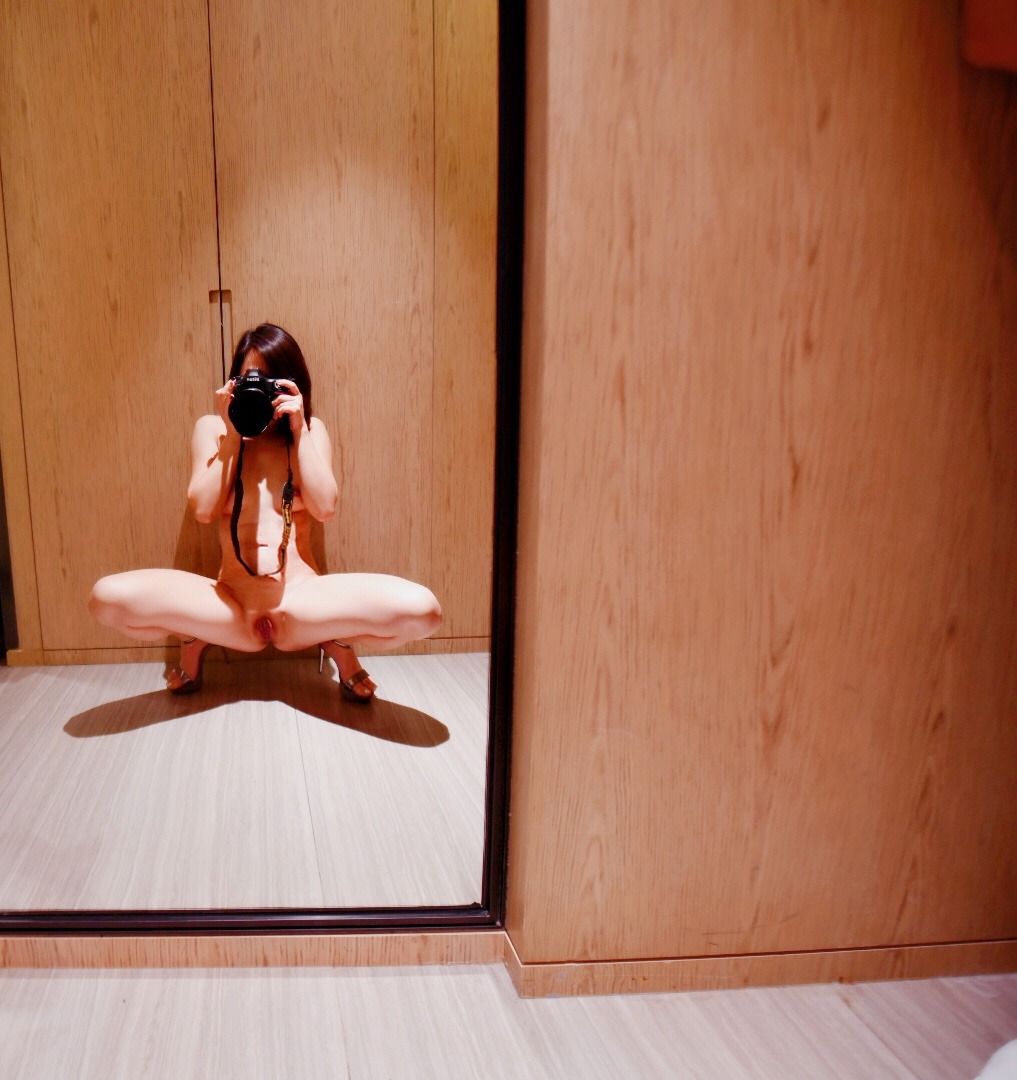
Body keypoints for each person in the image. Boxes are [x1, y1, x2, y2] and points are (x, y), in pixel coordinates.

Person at [89, 323, 442, 702]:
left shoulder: (309, 430)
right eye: (248, 381)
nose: (259, 392)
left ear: (292, 386)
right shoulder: (213, 429)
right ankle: (195, 636)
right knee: (106, 599)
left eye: (270, 384)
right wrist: (233, 434)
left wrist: (299, 429)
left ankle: (336, 640)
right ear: (233, 384)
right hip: (227, 603)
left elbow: (325, 507)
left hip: (302, 601)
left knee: (424, 612)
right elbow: (204, 509)